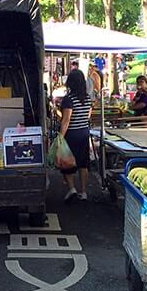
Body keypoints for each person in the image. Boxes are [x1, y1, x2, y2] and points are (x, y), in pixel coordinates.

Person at [59, 69, 92, 204]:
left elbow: (66, 120)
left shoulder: (69, 99)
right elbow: (88, 117)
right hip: (84, 132)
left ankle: (72, 189)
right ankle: (83, 192)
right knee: (83, 163)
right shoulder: (88, 99)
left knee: (67, 162)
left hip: (71, 134)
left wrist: (60, 137)